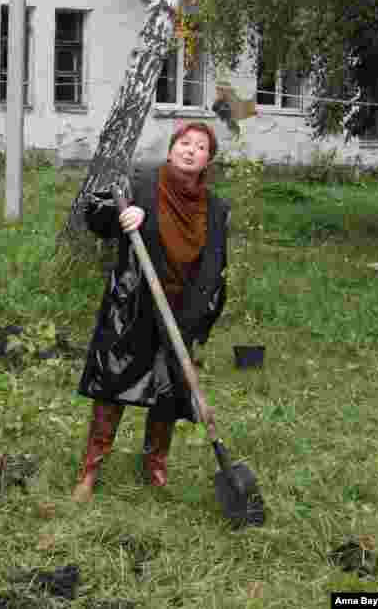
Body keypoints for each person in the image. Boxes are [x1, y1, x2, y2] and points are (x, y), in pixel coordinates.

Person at [71, 122, 230, 502]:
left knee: (168, 392)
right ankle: (91, 470)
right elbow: (96, 213)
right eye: (184, 143)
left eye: (201, 147)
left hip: (182, 310)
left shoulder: (215, 207)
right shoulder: (140, 185)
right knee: (112, 385)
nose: (191, 150)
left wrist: (204, 316)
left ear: (209, 158)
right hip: (135, 304)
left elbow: (216, 267)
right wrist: (122, 215)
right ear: (172, 147)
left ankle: (155, 467)